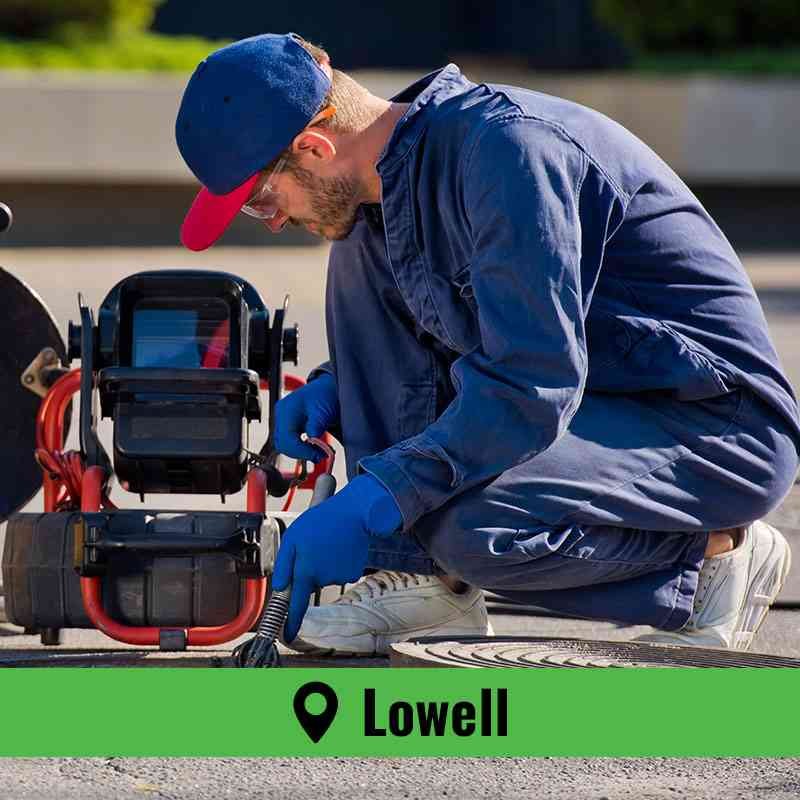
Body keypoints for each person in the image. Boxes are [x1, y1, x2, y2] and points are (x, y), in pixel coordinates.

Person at [175, 32, 800, 655]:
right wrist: (342, 384)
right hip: (593, 400)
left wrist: (380, 495)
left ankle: (712, 558)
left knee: (473, 530)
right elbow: (461, 335)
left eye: (260, 200)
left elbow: (532, 384)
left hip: (712, 426)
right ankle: (427, 585)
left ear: (314, 146)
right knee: (356, 244)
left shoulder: (508, 153)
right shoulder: (391, 185)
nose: (274, 220)